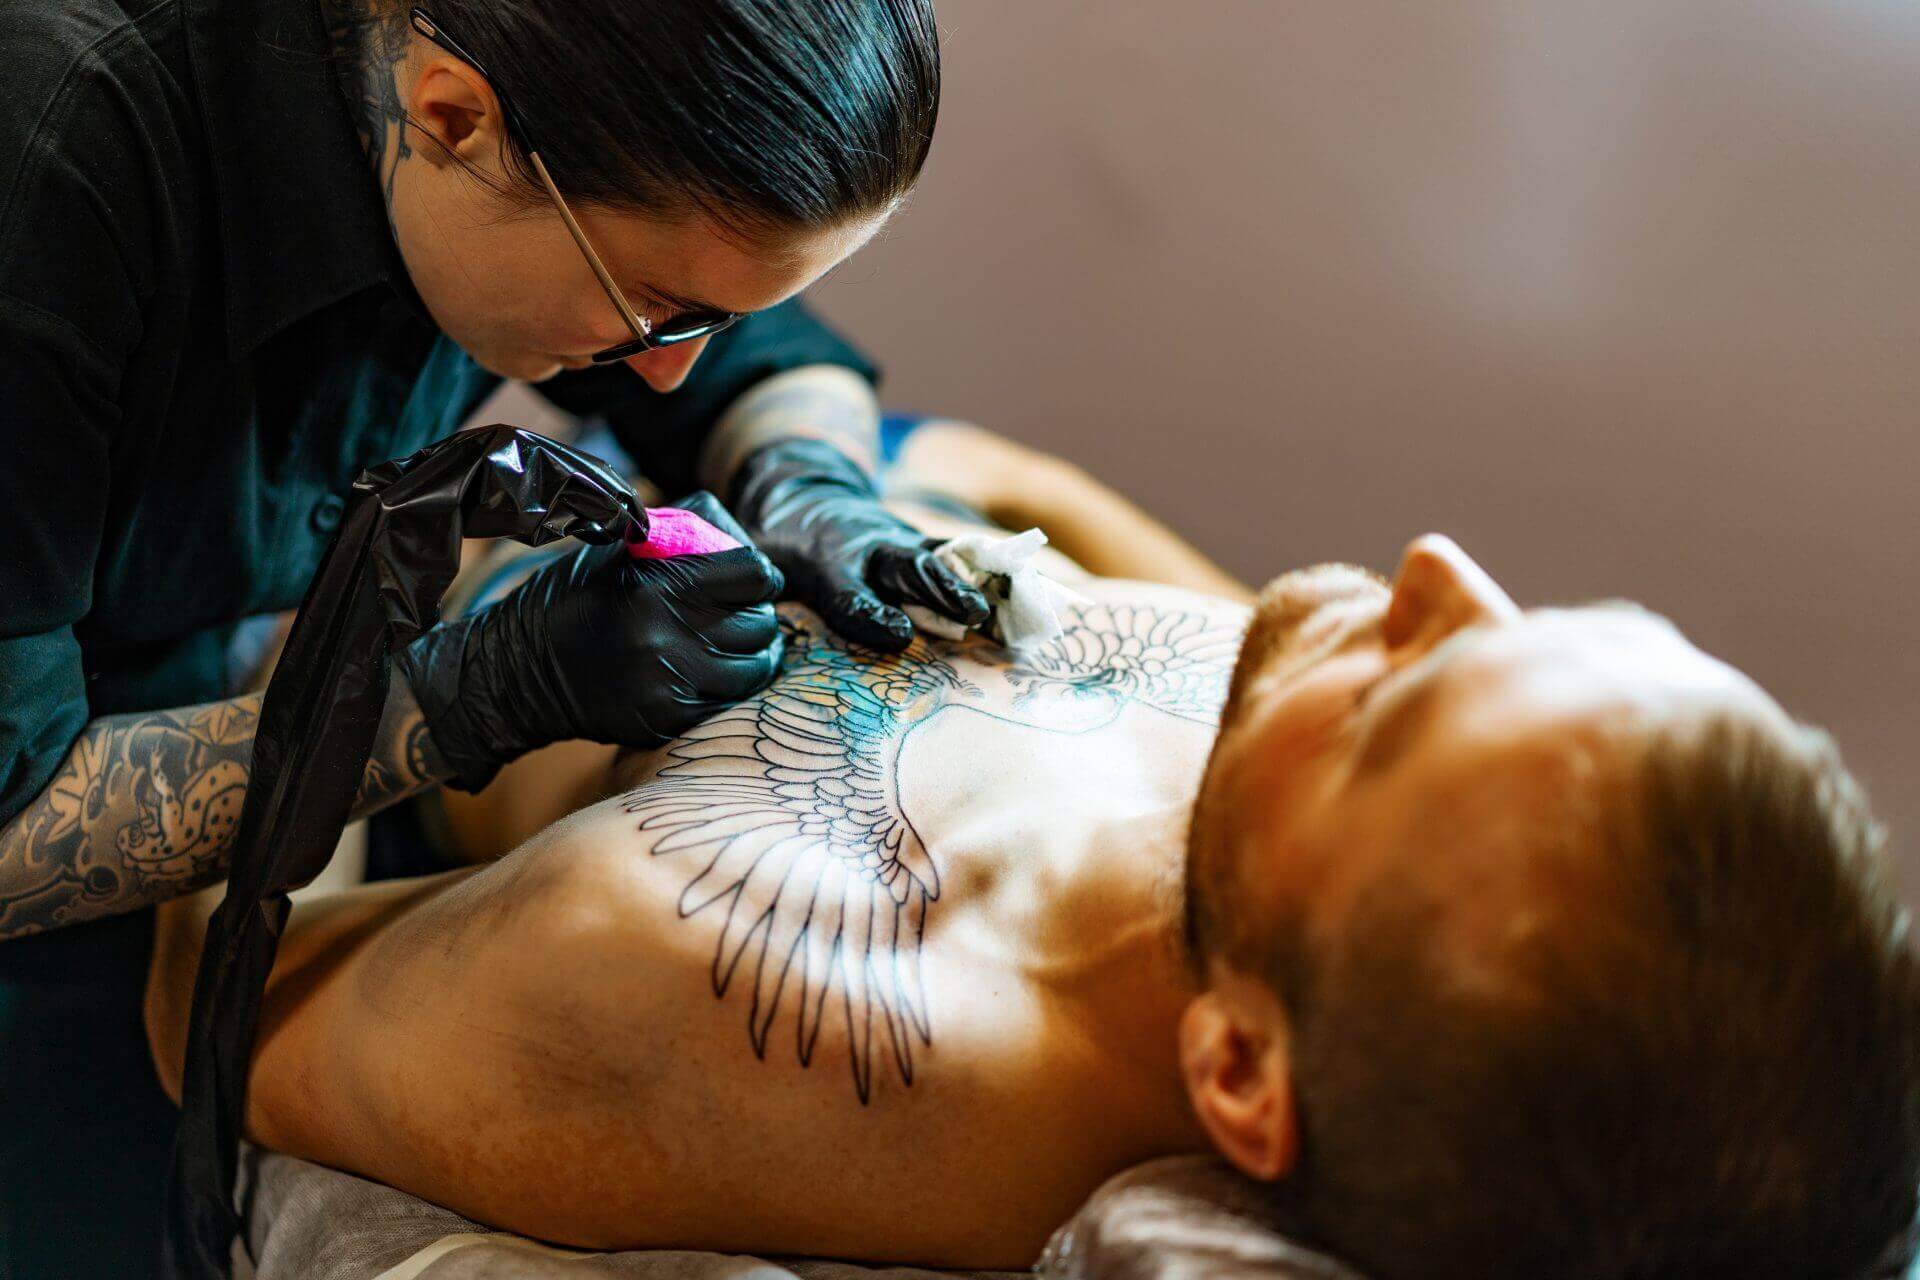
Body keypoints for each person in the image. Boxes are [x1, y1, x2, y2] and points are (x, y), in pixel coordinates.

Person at [144, 518, 1920, 1276]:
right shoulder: (1310, 763)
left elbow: (206, 1017)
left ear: (1243, 1075)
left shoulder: (706, 974)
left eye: (1411, 695)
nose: (1441, 570)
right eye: (1541, 626)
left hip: (299, 599)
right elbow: (1017, 481)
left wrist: (387, 687)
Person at [0, 0, 984, 1270]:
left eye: (711, 318)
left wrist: (813, 486)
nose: (668, 374)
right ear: (454, 115)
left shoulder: (515, 115)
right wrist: (461, 698)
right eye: (658, 310)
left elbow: (766, 364)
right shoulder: (52, 165)